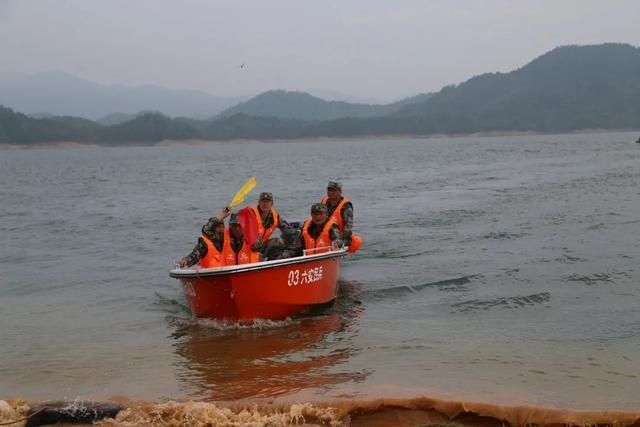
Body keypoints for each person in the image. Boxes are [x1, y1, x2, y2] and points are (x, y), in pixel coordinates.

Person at [321, 180, 362, 252]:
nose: (331, 192)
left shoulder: (346, 207)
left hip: (340, 237)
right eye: (329, 190)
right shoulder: (324, 202)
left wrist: (341, 243)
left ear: (340, 192)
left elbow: (348, 227)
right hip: (327, 236)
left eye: (334, 190)